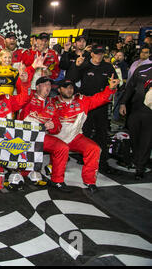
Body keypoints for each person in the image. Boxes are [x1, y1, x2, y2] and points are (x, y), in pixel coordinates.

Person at [52, 77, 120, 193]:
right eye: (65, 87)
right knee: (61, 148)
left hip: (75, 137)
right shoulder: (52, 102)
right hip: (55, 138)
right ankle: (57, 180)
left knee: (94, 149)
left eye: (71, 87)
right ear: (59, 90)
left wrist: (110, 88)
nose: (69, 90)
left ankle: (90, 181)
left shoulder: (82, 100)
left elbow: (99, 99)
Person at [66, 44, 118, 174]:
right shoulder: (85, 65)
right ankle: (83, 155)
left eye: (101, 53)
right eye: (97, 53)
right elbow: (71, 79)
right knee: (85, 131)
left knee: (102, 133)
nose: (99, 56)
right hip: (86, 103)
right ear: (92, 54)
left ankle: (103, 160)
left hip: (101, 104)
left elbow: (116, 82)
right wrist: (76, 66)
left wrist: (114, 87)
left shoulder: (108, 67)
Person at [18, 77, 69, 191]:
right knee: (22, 173)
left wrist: (53, 126)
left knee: (63, 148)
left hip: (42, 137)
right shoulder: (28, 98)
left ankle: (57, 180)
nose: (48, 87)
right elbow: (23, 88)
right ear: (37, 86)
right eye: (45, 84)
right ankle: (22, 171)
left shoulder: (52, 104)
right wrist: (27, 76)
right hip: (23, 136)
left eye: (50, 85)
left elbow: (58, 126)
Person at [119, 63, 152, 180]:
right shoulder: (142, 69)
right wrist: (123, 103)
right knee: (134, 137)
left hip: (150, 113)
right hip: (136, 109)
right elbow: (130, 87)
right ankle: (136, 160)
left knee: (147, 140)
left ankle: (140, 167)